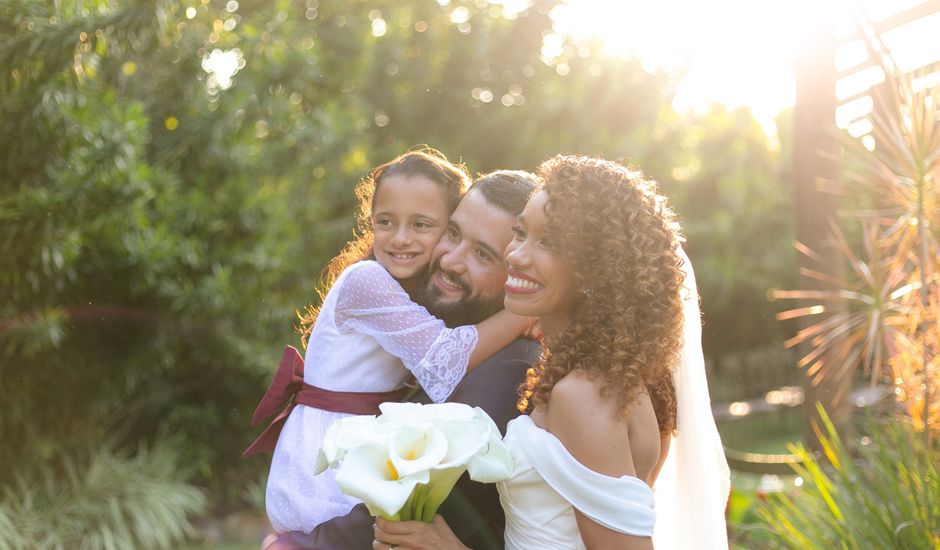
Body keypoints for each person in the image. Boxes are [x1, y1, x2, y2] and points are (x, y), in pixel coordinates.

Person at [372, 155, 731, 549]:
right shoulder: (598, 378)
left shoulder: (586, 394)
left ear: (596, 271)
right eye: (521, 232)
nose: (516, 255)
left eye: (549, 243)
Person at [252, 150, 533, 535]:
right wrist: (526, 312)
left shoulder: (421, 297)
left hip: (350, 470)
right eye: (386, 222)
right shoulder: (368, 280)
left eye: (422, 224)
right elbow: (444, 361)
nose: (402, 239)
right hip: (321, 476)